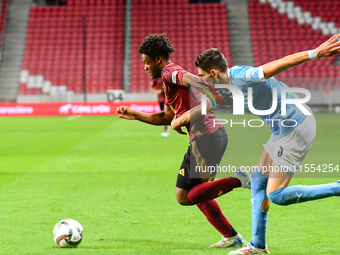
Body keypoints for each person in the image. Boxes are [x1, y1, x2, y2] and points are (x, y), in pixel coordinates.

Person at [171, 34, 340, 254]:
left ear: (213, 73)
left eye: (202, 76)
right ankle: (258, 246)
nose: (201, 80)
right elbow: (213, 103)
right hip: (282, 128)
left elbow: (277, 65)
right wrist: (182, 118)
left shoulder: (243, 77)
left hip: (296, 126)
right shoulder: (224, 85)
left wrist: (315, 53)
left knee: (276, 195)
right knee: (259, 182)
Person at [117, 34, 251, 248]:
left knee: (184, 195)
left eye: (146, 62)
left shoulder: (171, 72)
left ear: (158, 59)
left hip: (206, 138)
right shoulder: (166, 79)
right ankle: (231, 236)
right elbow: (167, 117)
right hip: (207, 137)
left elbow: (192, 79)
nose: (145, 67)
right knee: (195, 191)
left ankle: (241, 179)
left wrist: (212, 91)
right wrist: (136, 114)